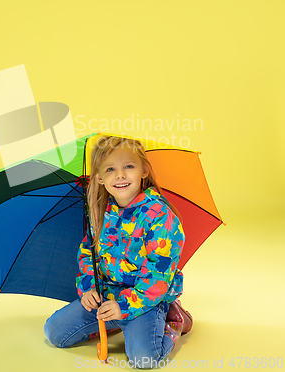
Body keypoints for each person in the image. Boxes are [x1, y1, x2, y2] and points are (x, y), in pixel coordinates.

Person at [44, 135, 193, 369]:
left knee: (143, 359)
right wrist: (89, 288)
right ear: (100, 178)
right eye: (111, 169)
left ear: (144, 170)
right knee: (54, 332)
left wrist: (123, 307)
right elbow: (88, 254)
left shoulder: (158, 217)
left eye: (129, 166)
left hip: (146, 298)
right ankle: (115, 323)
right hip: (107, 294)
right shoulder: (101, 212)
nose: (120, 175)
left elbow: (158, 276)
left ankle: (173, 320)